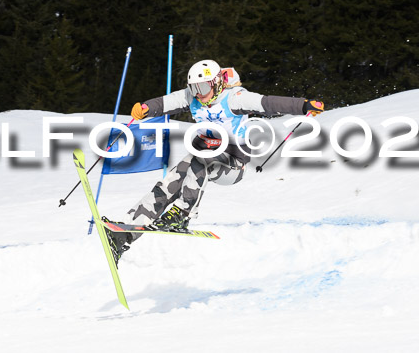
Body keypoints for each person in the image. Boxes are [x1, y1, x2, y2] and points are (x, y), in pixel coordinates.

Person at [102, 59, 324, 263]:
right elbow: (167, 102)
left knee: (201, 157)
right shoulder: (193, 97)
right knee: (170, 181)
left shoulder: (235, 98)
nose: (199, 94)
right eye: (194, 89)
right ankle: (126, 234)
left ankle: (183, 213)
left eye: (204, 88)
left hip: (232, 164)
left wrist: (304, 106)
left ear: (217, 83)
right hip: (205, 154)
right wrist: (147, 108)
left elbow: (269, 103)